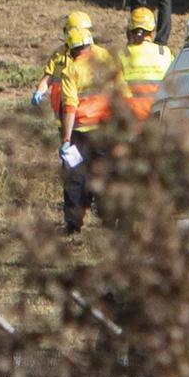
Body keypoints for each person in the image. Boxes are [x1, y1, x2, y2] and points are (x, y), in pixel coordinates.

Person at [34, 12, 119, 234]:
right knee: (88, 176)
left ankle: (84, 222)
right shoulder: (65, 56)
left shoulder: (79, 65)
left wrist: (66, 138)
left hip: (78, 128)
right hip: (97, 127)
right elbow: (48, 76)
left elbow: (71, 105)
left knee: (77, 176)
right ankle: (83, 222)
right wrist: (39, 91)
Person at [118, 7, 173, 123]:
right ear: (153, 31)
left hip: (131, 117)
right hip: (158, 115)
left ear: (130, 31)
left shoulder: (122, 55)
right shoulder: (164, 53)